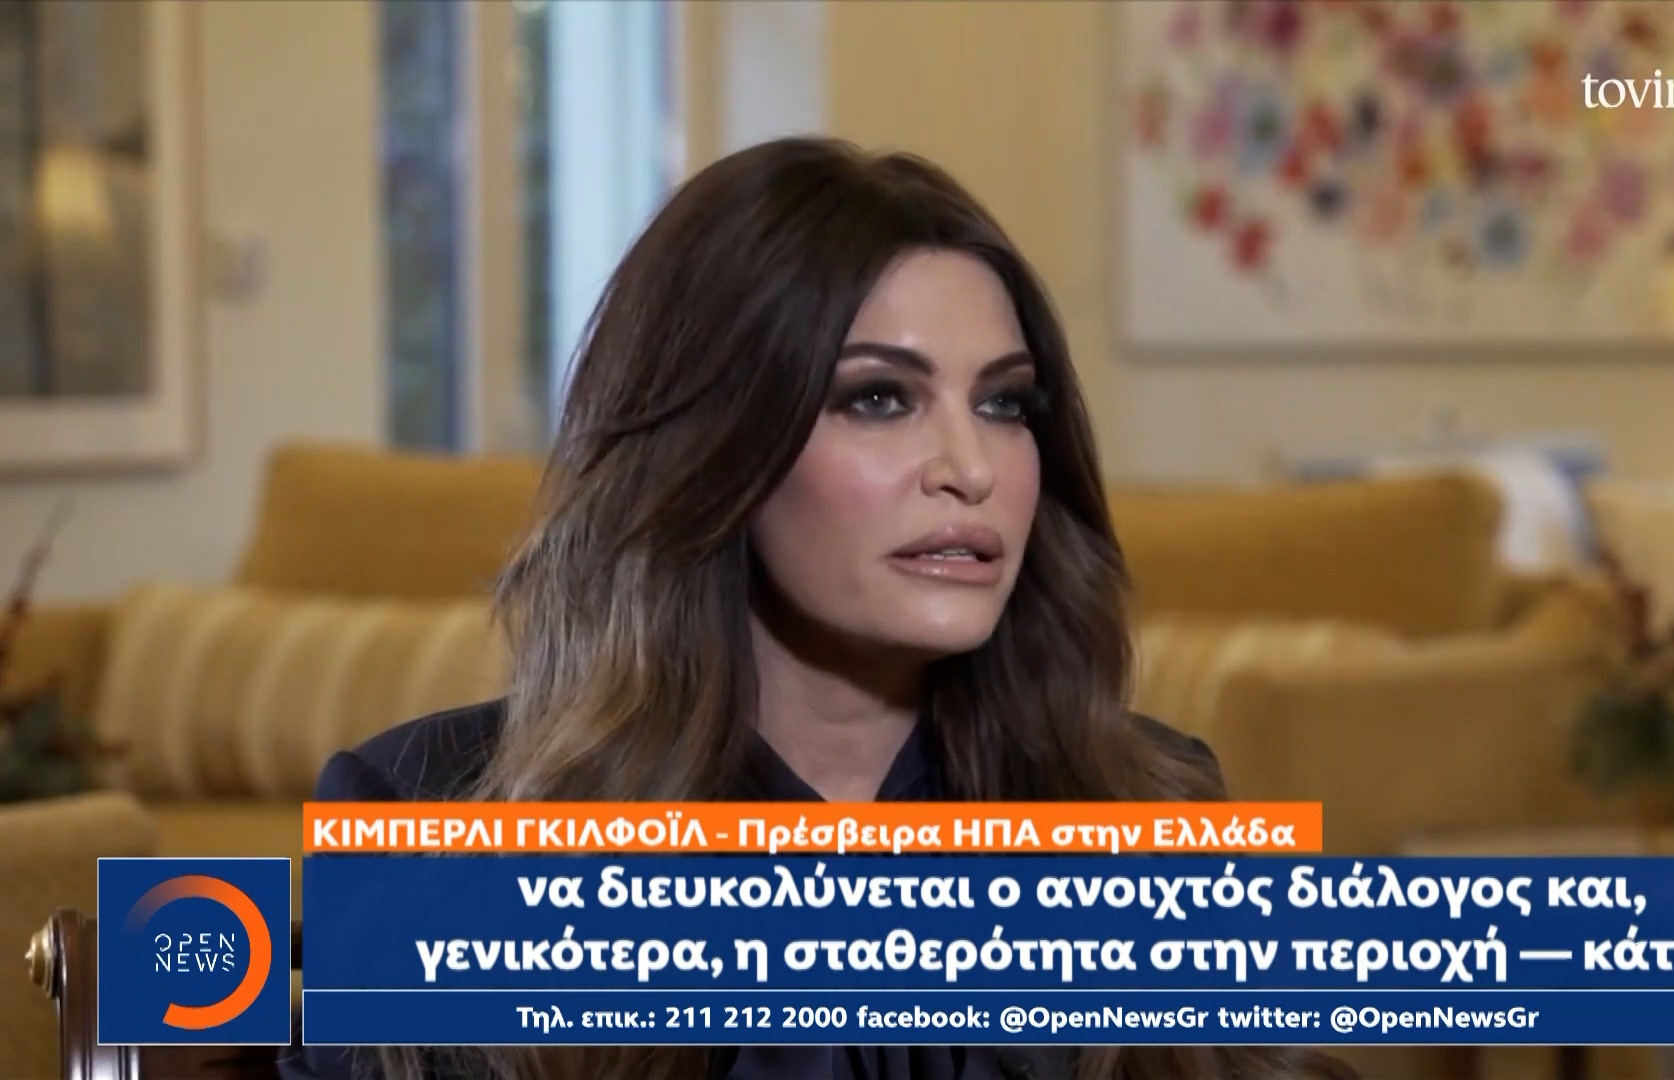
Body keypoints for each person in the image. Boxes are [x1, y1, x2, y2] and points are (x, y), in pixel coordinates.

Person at [282, 137, 1354, 1080]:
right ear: (714, 448)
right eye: (879, 398)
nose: (972, 468)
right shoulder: (431, 833)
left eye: (1004, 402)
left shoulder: (1149, 822)